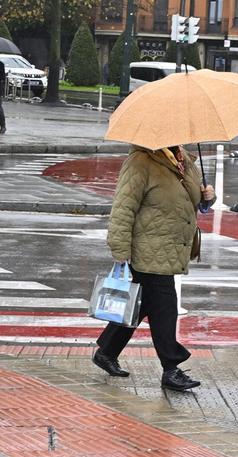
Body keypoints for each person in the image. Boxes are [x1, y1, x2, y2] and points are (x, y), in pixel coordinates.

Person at [93, 145, 215, 392]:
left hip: (172, 246)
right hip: (148, 247)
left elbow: (192, 201)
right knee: (165, 307)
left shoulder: (184, 160)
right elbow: (123, 207)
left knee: (142, 303)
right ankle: (171, 368)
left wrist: (207, 198)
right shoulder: (141, 161)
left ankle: (107, 351)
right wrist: (119, 248)